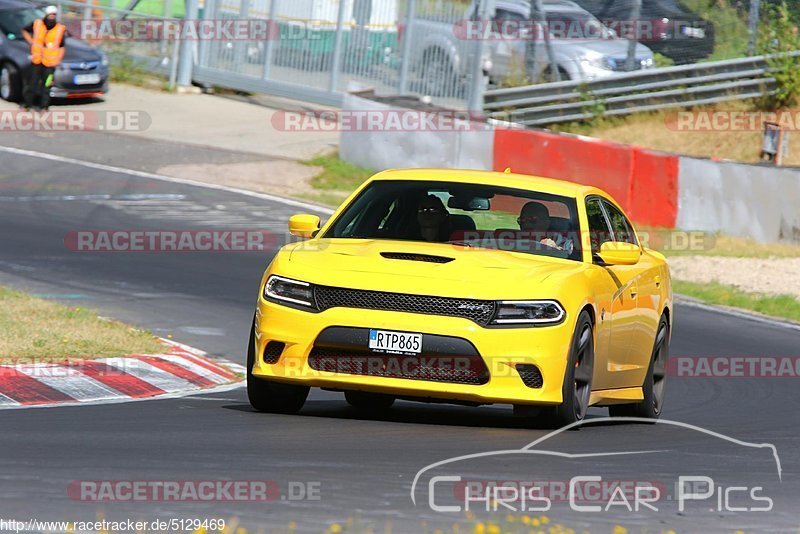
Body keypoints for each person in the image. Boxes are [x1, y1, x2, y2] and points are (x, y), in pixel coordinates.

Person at [22, 6, 66, 111]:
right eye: (50, 14)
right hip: (36, 60)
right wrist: (31, 41)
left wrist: (58, 60)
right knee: (32, 83)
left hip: (50, 63)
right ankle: (28, 104)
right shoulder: (37, 24)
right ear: (46, 15)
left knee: (47, 85)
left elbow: (61, 46)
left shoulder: (60, 29)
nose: (52, 17)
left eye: (54, 15)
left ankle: (44, 106)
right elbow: (25, 31)